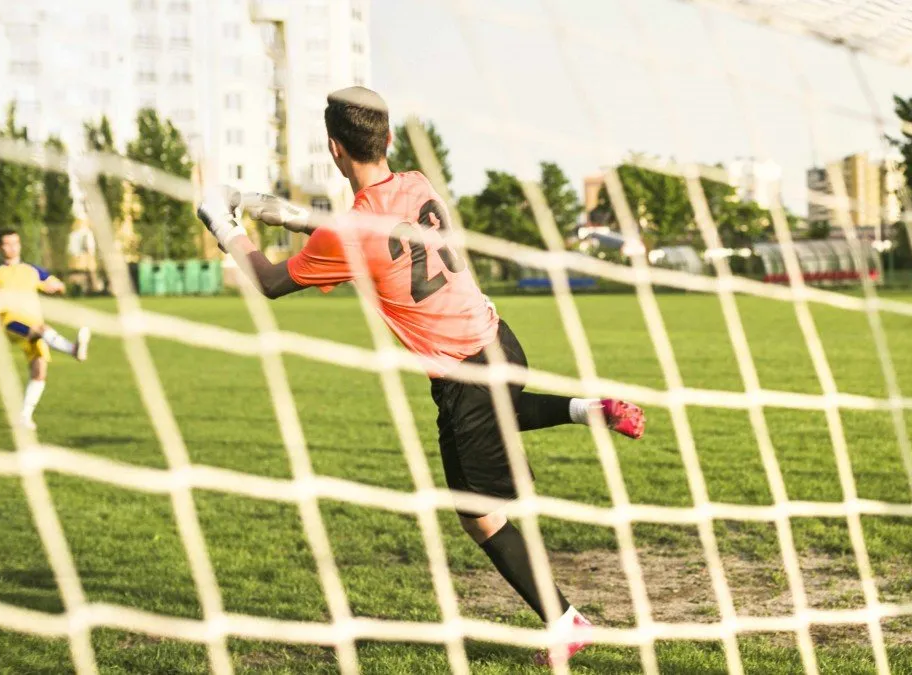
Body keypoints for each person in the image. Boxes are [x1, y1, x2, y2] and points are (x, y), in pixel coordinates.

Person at [196, 86, 645, 664]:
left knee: (479, 516)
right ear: (386, 139)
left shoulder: (348, 228)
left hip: (461, 374)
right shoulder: (417, 184)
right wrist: (281, 211)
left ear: (334, 148)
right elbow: (366, 230)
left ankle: (565, 622)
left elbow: (270, 280)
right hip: (499, 341)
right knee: (506, 409)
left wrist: (224, 223)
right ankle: (588, 408)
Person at [0, 230, 91, 430]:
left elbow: (55, 285)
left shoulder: (33, 270)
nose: (13, 247)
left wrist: (57, 288)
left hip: (35, 324)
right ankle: (73, 349)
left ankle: (24, 417)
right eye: (7, 244)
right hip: (11, 323)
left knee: (39, 371)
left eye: (16, 243)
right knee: (41, 328)